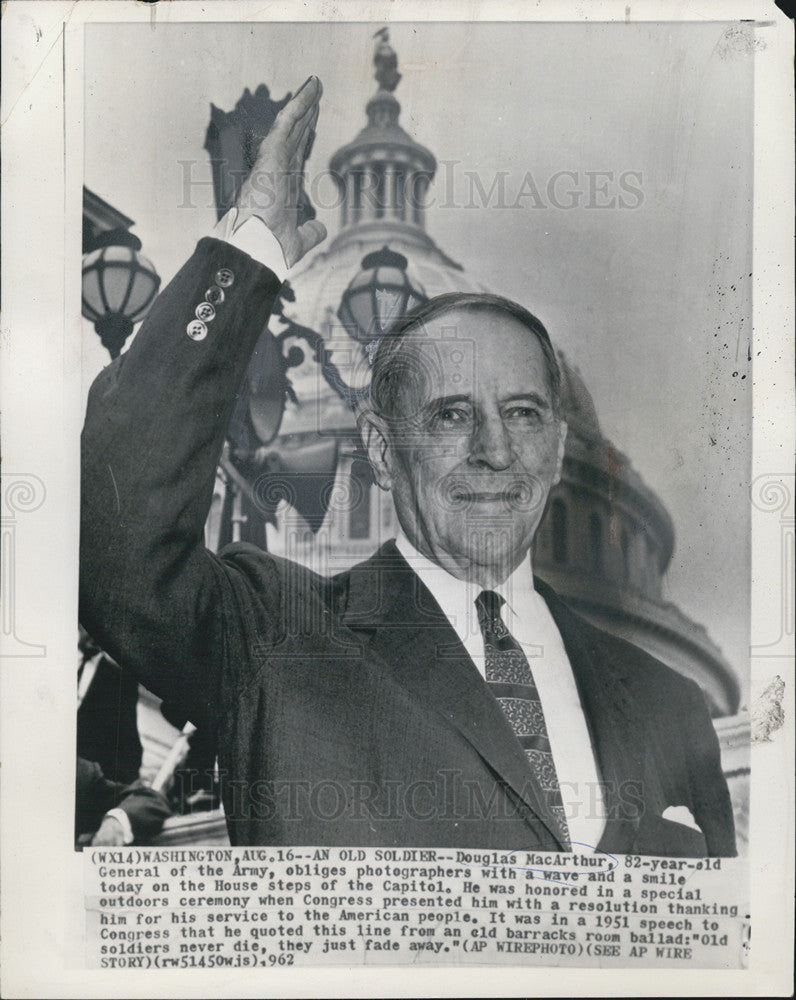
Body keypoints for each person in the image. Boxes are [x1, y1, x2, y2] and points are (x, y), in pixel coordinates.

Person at [80, 76, 735, 856]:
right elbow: (116, 544)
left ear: (559, 448)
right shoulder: (277, 644)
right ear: (382, 452)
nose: (495, 451)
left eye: (523, 414)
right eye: (451, 414)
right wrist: (249, 245)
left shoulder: (671, 707)